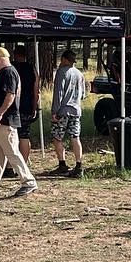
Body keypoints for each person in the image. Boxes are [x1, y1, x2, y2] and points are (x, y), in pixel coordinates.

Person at [0, 46, 38, 197]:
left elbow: (10, 95)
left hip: (5, 121)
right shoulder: (4, 73)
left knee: (12, 152)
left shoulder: (9, 72)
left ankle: (28, 181)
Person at [49, 48, 86, 177]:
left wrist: (54, 111)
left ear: (64, 59)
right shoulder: (79, 74)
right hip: (76, 110)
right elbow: (83, 94)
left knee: (57, 137)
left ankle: (62, 164)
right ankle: (79, 165)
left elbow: (58, 94)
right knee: (75, 137)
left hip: (63, 111)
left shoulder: (61, 72)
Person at [12, 44, 40, 168]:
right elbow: (36, 90)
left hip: (12, 106)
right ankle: (23, 165)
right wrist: (34, 106)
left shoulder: (11, 68)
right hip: (27, 105)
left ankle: (9, 166)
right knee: (24, 135)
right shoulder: (31, 68)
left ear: (14, 54)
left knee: (11, 136)